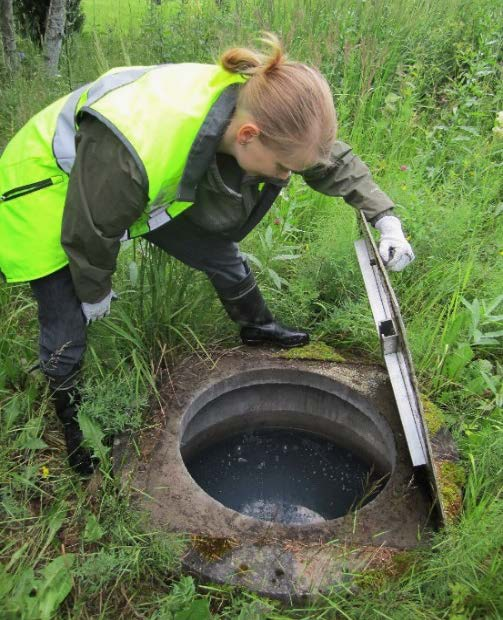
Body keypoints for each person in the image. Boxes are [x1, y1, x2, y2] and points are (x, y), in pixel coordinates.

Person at [0, 34, 414, 475]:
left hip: (136, 189)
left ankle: (258, 327)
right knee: (67, 328)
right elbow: (91, 227)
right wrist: (94, 287)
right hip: (47, 192)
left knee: (220, 254)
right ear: (248, 137)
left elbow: (325, 158)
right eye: (282, 170)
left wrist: (385, 218)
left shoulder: (253, 103)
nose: (285, 178)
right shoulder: (140, 144)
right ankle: (77, 431)